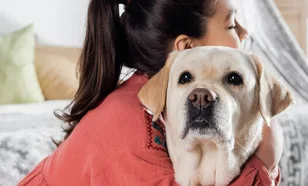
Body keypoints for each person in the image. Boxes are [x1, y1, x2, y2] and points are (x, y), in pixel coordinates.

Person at [18, 0, 283, 185]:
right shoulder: (131, 129)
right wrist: (262, 166)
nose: (244, 32)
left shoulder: (159, 95)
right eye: (231, 24)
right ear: (186, 48)